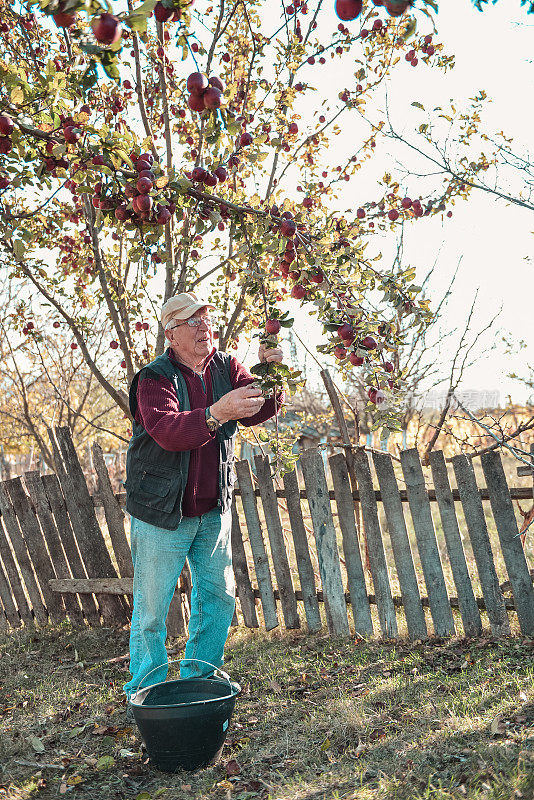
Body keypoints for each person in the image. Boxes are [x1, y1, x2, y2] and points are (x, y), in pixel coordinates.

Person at [123, 292, 283, 703]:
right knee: (153, 609)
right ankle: (148, 686)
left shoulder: (227, 366)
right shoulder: (153, 379)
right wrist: (217, 413)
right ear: (170, 333)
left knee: (218, 597)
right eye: (191, 321)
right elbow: (168, 431)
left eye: (206, 319)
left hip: (212, 508)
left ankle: (201, 674)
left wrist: (271, 373)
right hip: (161, 512)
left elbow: (259, 408)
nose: (203, 328)